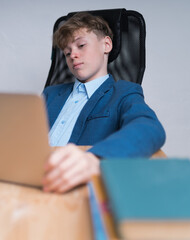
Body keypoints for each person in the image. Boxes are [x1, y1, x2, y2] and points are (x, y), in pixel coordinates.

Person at [42, 12, 165, 193]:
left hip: (75, 186)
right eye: (67, 52)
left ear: (106, 44)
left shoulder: (124, 92)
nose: (73, 55)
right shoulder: (50, 94)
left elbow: (149, 128)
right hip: (38, 175)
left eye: (81, 45)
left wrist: (96, 159)